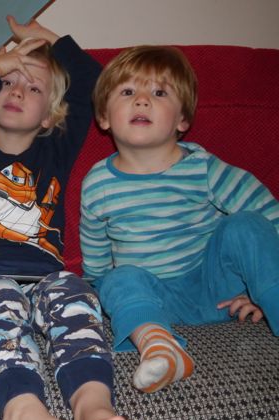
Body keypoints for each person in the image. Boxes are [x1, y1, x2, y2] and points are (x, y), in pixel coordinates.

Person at [0, 16, 130, 420]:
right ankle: (23, 410)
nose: (17, 90)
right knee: (2, 295)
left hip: (43, 280)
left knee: (75, 291)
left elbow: (93, 85)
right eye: (7, 82)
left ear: (49, 116)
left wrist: (45, 37)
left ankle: (93, 407)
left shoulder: (55, 152)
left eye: (33, 88)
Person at [81, 45, 279, 394]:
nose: (142, 100)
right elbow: (95, 266)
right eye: (127, 92)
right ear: (104, 117)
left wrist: (257, 291)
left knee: (246, 223)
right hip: (157, 300)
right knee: (114, 279)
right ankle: (160, 348)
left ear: (182, 120)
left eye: (159, 93)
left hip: (217, 286)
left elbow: (269, 215)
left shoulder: (202, 167)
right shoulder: (97, 184)